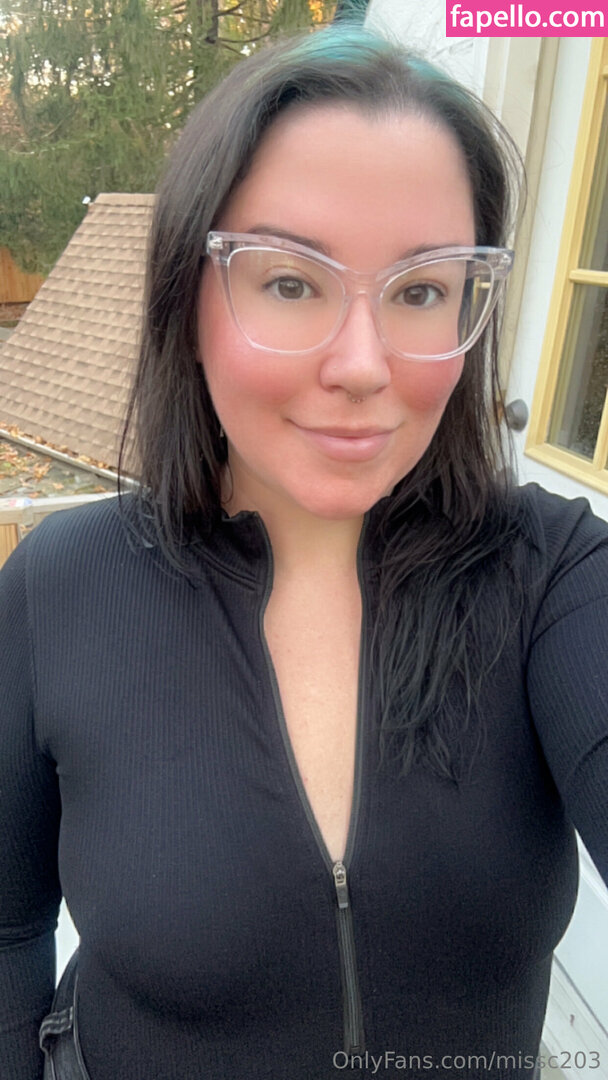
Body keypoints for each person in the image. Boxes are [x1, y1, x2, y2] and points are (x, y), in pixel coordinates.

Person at [1, 24, 607, 1080]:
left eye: (420, 290)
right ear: (187, 300)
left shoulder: (554, 576)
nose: (363, 366)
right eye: (289, 283)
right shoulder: (59, 587)